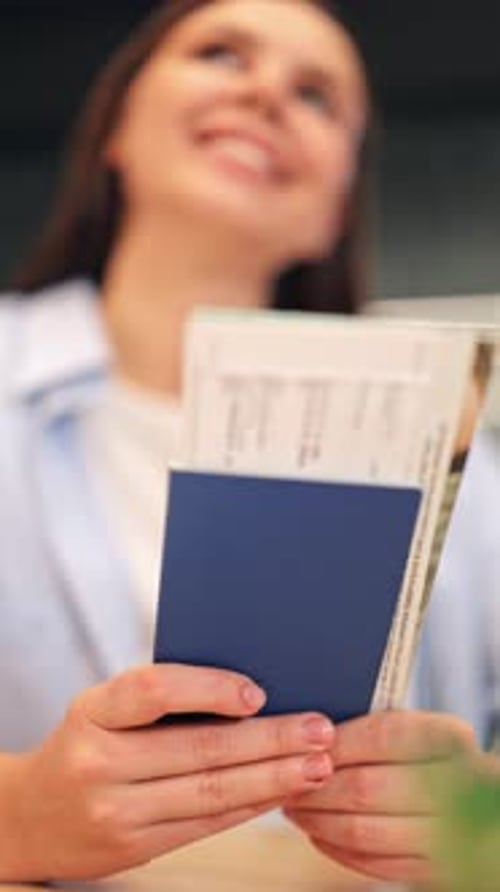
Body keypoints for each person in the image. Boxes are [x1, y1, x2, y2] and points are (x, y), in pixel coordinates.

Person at [0, 0, 494, 883]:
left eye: (316, 97)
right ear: (116, 127)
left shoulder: (470, 467)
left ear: (338, 203)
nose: (267, 92)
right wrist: (18, 813)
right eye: (222, 55)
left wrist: (479, 818)